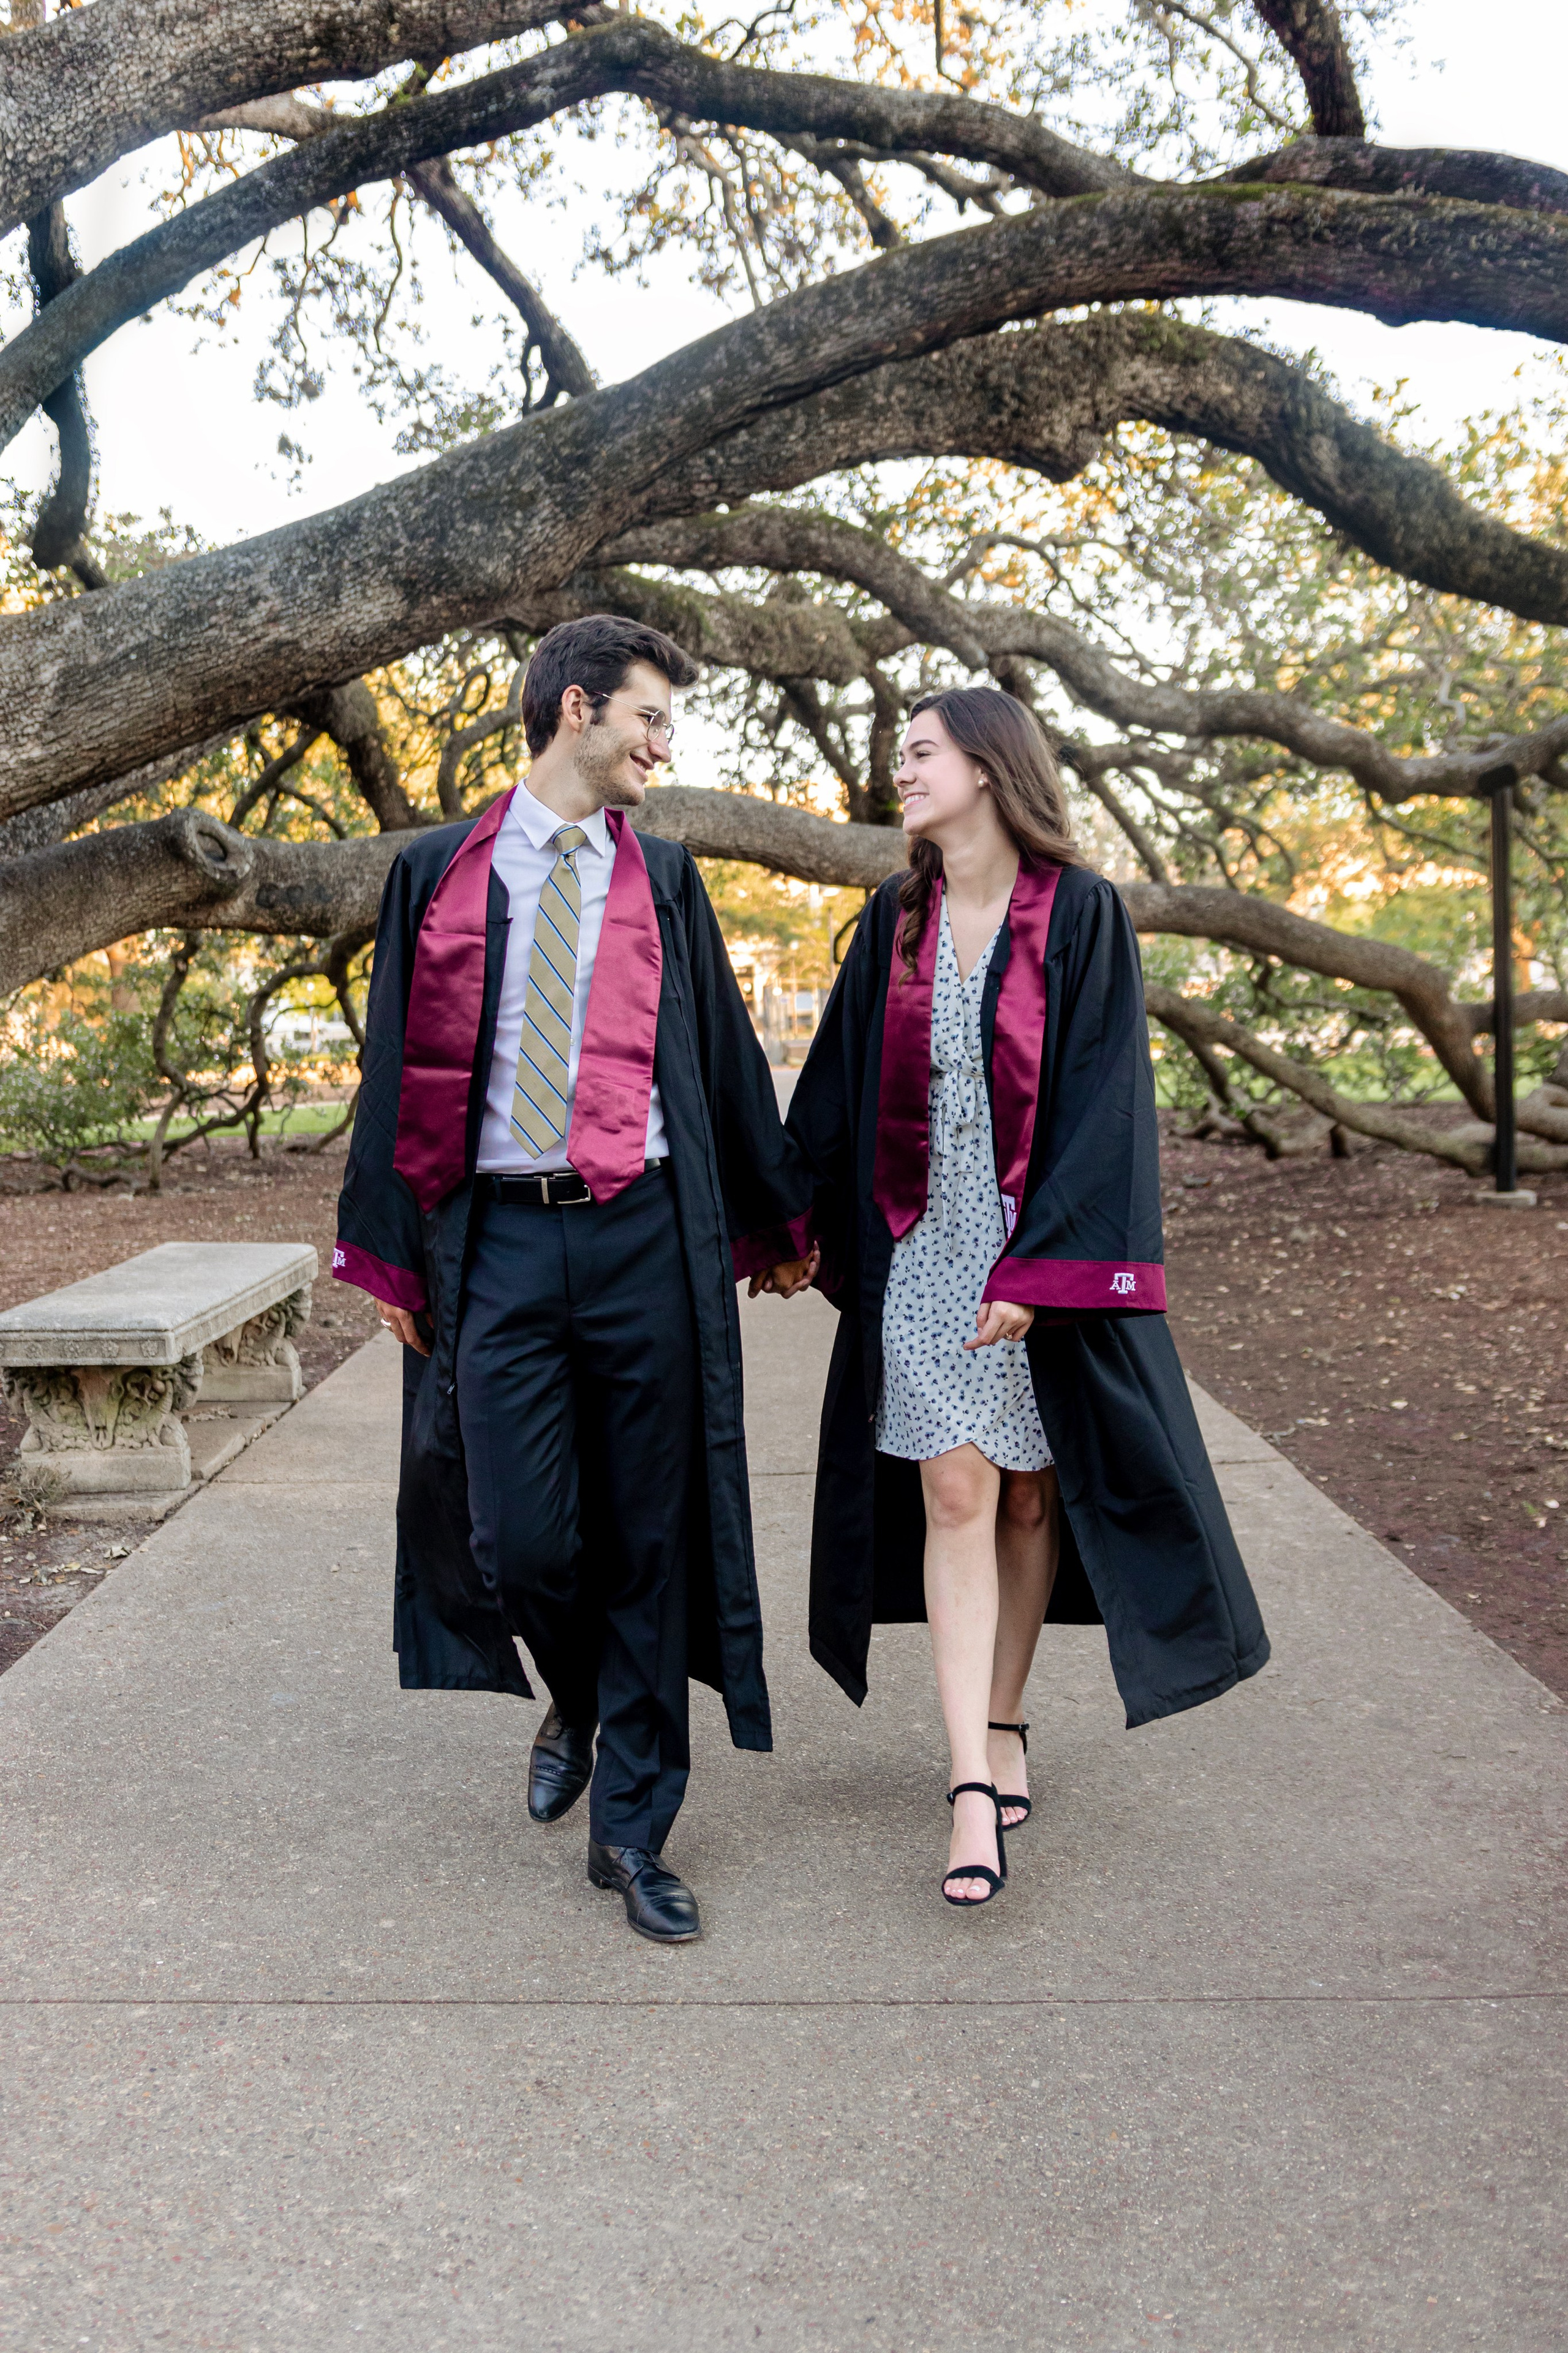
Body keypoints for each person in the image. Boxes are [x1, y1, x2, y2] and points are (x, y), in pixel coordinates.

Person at [332, 616, 814, 1945]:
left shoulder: (660, 880)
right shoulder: (438, 872)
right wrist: (381, 1244)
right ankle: (582, 1691)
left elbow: (719, 1051)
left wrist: (776, 1223)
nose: (663, 745)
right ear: (577, 710)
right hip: (492, 1238)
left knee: (650, 1535)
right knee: (521, 1534)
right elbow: (391, 1070)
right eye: (650, 718)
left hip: (639, 1234)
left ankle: (633, 1830)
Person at [780, 686, 1269, 1906]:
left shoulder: (1082, 916)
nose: (901, 773)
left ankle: (1002, 1720)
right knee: (955, 1490)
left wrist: (1039, 1269)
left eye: (921, 753)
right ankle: (963, 1782)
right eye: (900, 756)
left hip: (1033, 1253)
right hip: (922, 1246)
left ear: (990, 769)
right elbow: (834, 1089)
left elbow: (1106, 1107)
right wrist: (782, 1218)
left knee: (1028, 1503)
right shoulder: (890, 925)